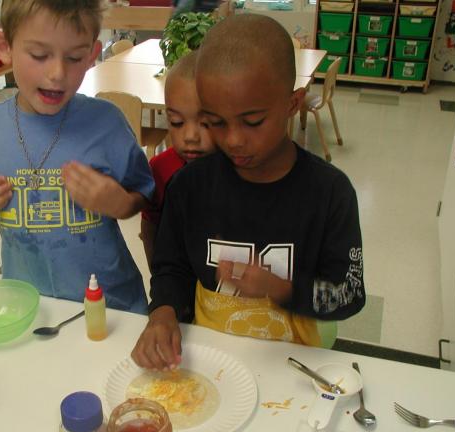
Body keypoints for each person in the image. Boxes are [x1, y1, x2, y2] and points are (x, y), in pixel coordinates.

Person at [131, 14, 365, 370]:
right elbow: (171, 269)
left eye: (253, 122)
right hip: (210, 358)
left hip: (298, 363)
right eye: (216, 122)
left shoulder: (330, 193)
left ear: (293, 104)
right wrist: (163, 313)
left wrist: (281, 287)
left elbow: (349, 295)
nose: (234, 140)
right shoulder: (189, 187)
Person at [0, 0, 155, 314]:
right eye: (39, 55)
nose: (58, 73)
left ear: (90, 55)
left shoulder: (107, 123)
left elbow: (143, 192)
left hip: (110, 303)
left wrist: (122, 204)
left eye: (74, 58)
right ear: (4, 47)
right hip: (30, 301)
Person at [140, 50, 215, 268]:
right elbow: (149, 228)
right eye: (176, 122)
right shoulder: (160, 168)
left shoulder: (238, 165)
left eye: (206, 123)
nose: (190, 137)